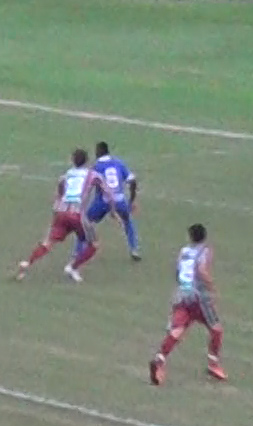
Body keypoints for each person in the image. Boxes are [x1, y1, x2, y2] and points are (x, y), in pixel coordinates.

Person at [148, 224, 226, 385]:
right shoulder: (205, 250)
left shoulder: (184, 251)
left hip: (182, 294)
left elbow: (177, 272)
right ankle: (213, 364)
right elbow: (202, 270)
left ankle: (159, 359)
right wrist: (212, 288)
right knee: (216, 329)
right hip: (199, 297)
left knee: (177, 330)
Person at [15, 148, 100, 282]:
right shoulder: (92, 175)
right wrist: (113, 209)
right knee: (93, 244)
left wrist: (57, 208)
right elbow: (108, 192)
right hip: (77, 214)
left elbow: (59, 194)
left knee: (48, 243)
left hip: (61, 213)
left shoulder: (66, 175)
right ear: (87, 161)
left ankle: (27, 263)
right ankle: (73, 268)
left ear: (72, 160)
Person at [85, 141, 140, 261]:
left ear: (98, 152)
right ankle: (134, 249)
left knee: (85, 221)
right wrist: (132, 200)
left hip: (103, 201)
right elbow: (132, 180)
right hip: (119, 200)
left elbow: (88, 185)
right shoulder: (118, 163)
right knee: (128, 221)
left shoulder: (96, 166)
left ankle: (79, 251)